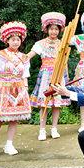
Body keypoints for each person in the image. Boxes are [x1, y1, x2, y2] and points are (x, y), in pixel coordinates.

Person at [0, 21, 31, 158]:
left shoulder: (24, 57)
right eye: (13, 39)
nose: (16, 42)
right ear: (7, 40)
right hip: (3, 87)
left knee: (14, 119)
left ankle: (9, 144)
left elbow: (25, 75)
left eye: (18, 39)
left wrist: (25, 89)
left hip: (18, 88)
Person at [27, 12, 71, 141]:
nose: (54, 31)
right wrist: (21, 58)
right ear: (47, 29)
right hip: (45, 74)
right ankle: (42, 129)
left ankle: (54, 128)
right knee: (44, 103)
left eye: (56, 29)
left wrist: (66, 78)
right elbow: (30, 55)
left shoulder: (63, 43)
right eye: (51, 28)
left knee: (56, 104)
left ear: (59, 30)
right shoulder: (40, 44)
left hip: (59, 75)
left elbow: (65, 61)